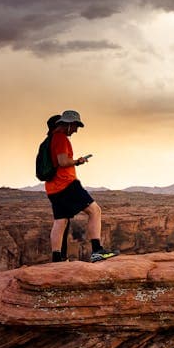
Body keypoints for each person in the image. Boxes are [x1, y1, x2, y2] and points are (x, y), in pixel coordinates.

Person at [45, 110, 119, 263]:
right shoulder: (61, 138)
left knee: (61, 220)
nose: (76, 130)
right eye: (76, 126)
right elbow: (63, 161)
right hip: (67, 184)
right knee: (95, 210)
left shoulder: (51, 138)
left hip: (53, 187)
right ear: (69, 124)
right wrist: (78, 161)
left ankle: (57, 258)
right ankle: (97, 251)